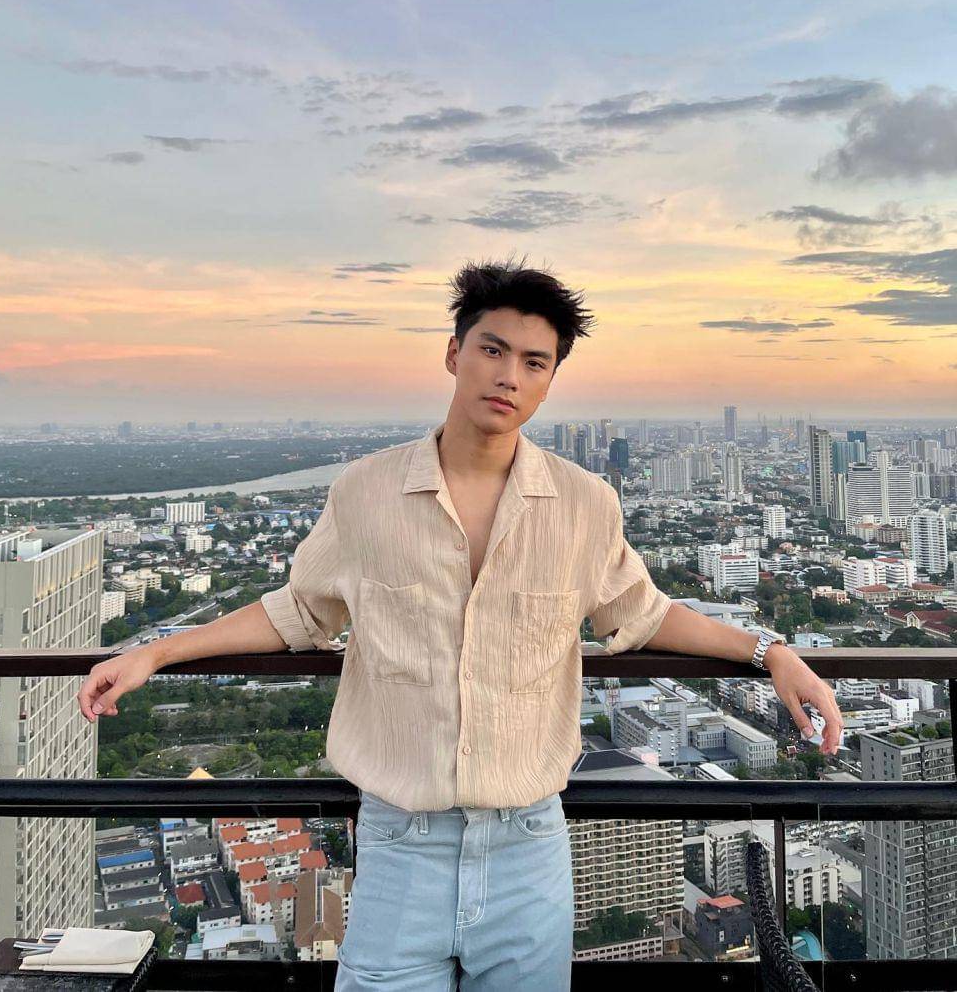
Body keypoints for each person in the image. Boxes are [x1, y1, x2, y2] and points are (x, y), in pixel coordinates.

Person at [78, 255, 843, 990]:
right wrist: (157, 653)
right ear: (454, 354)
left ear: (549, 383)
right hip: (400, 845)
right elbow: (299, 611)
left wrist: (769, 653)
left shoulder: (584, 504)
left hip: (528, 850)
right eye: (493, 349)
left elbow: (644, 614)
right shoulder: (367, 491)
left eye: (535, 362)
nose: (509, 375)